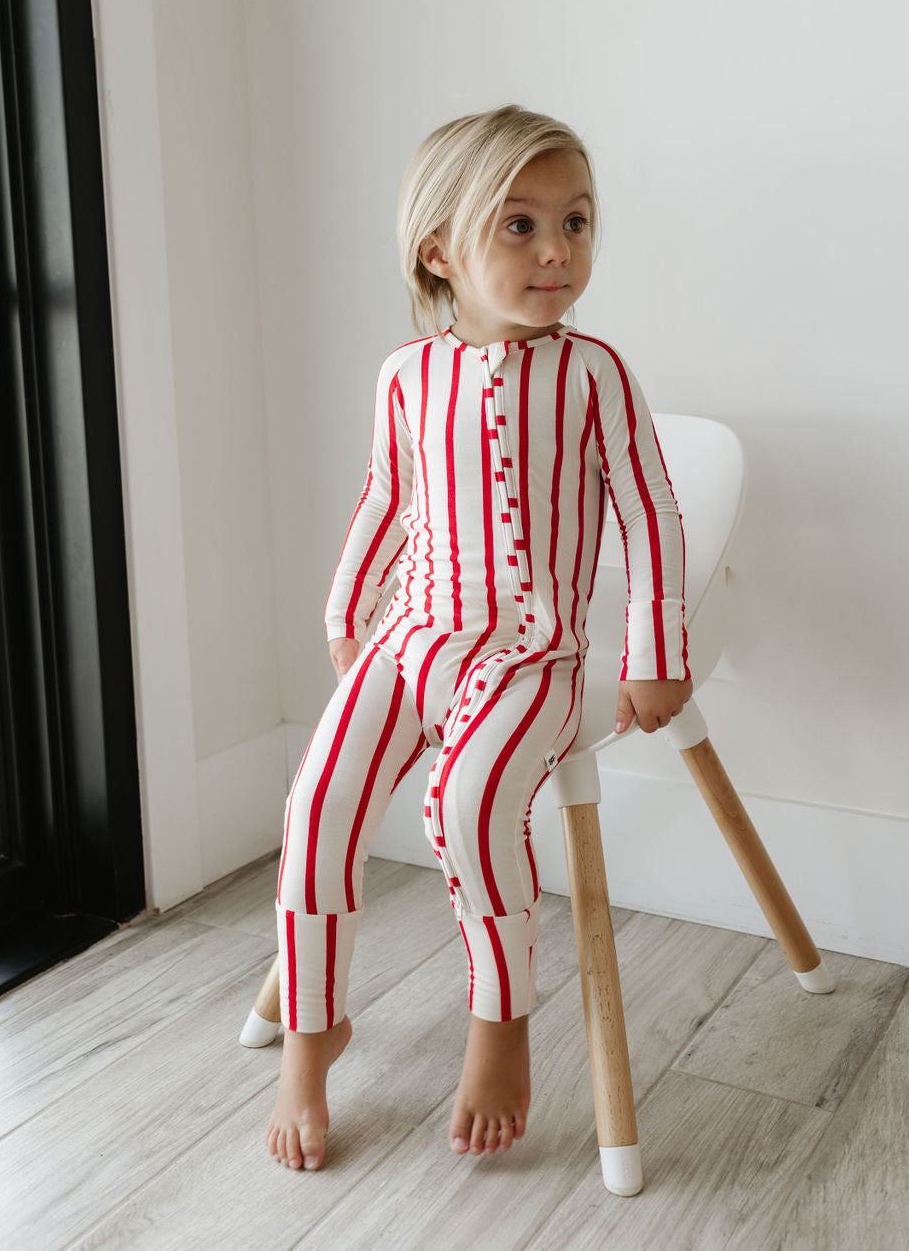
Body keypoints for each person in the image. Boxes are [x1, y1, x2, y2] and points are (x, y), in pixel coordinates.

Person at [265, 103, 693, 1172]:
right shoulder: (405, 376)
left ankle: (498, 1018)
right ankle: (312, 1042)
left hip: (529, 656)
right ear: (440, 249)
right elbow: (385, 498)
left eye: (577, 221)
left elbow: (651, 512)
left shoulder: (594, 374)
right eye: (520, 225)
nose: (558, 250)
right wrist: (344, 609)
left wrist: (654, 648)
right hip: (411, 639)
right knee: (318, 805)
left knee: (466, 802)